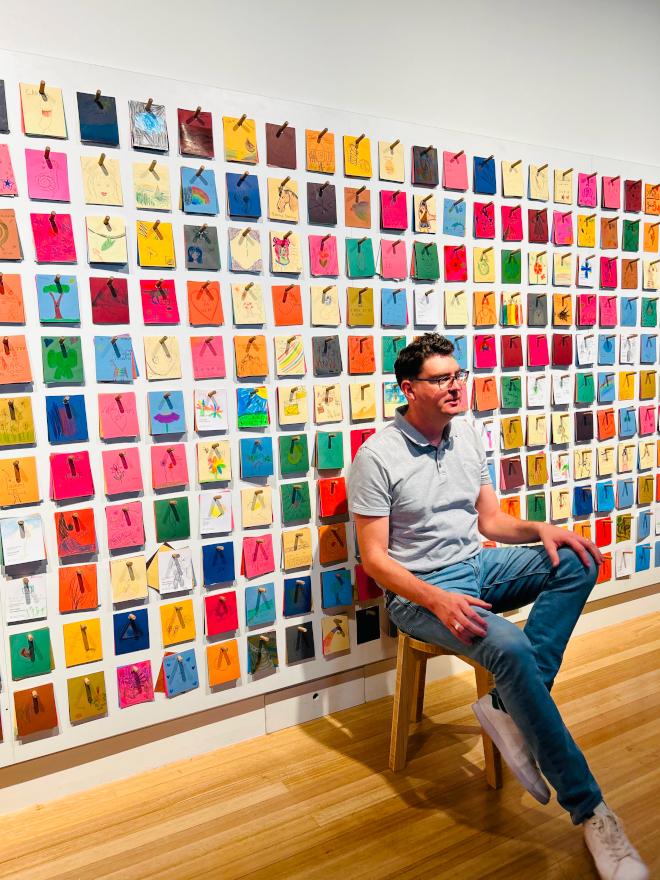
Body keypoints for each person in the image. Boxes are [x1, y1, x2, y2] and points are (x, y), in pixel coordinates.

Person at [348, 333, 648, 880]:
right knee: (508, 646)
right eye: (440, 379)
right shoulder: (376, 458)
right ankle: (593, 813)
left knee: (579, 560)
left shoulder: (467, 437)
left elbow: (490, 523)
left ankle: (507, 713)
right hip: (419, 593)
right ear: (408, 388)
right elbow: (375, 562)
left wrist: (540, 529)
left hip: (477, 566)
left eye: (457, 375)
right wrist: (437, 599)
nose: (455, 385)